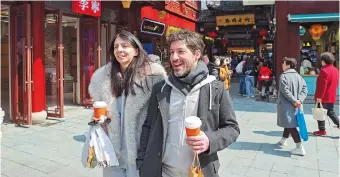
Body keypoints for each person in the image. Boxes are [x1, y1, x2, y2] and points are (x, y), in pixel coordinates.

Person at [136, 30, 240, 177]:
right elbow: (147, 127)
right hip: (162, 172)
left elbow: (232, 128)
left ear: (196, 54)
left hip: (200, 172)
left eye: (180, 52)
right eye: (171, 52)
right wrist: (142, 163)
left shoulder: (215, 88)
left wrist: (209, 140)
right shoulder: (161, 88)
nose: (174, 57)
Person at [88, 30, 166, 177]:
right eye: (116, 47)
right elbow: (100, 112)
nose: (120, 50)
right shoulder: (103, 77)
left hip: (139, 152)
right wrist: (97, 121)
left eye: (125, 46)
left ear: (136, 51)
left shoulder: (153, 76)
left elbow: (160, 117)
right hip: (112, 151)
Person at [277, 57, 308, 156]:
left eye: (284, 63)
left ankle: (299, 147)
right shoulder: (299, 76)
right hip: (297, 105)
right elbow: (305, 90)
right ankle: (283, 140)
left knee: (291, 125)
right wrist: (299, 100)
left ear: (288, 65)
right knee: (290, 123)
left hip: (287, 105)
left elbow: (285, 91)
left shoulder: (283, 76)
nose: (282, 65)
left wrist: (294, 101)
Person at [313, 52, 339, 136]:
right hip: (331, 95)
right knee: (330, 112)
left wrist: (319, 97)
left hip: (324, 96)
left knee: (320, 112)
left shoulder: (324, 71)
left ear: (323, 61)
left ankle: (322, 130)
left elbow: (322, 86)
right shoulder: (335, 70)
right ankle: (323, 129)